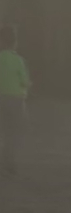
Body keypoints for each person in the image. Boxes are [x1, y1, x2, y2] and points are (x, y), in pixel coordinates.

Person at [0, 25, 30, 176]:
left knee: (3, 129)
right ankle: (9, 160)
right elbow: (25, 81)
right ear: (14, 42)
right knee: (14, 131)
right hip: (16, 99)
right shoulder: (18, 60)